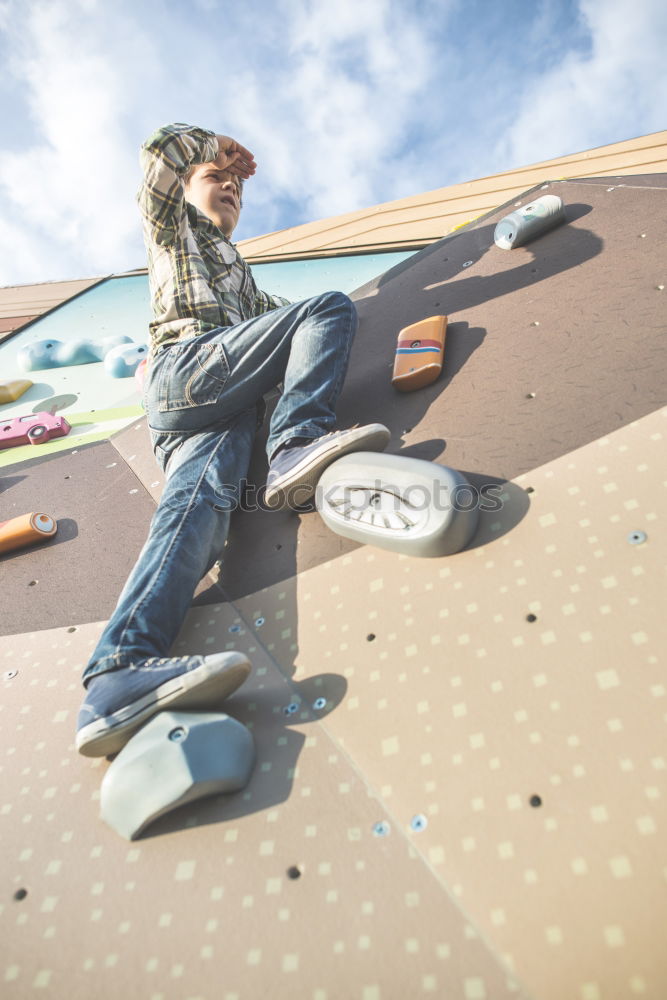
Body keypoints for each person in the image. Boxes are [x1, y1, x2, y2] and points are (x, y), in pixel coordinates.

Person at [75, 123, 390, 757]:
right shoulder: (174, 230)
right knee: (328, 308)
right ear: (187, 193)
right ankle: (295, 444)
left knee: (196, 517)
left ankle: (115, 674)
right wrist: (214, 145)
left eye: (236, 188)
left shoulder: (247, 284)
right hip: (186, 370)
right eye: (215, 181)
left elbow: (285, 331)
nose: (229, 189)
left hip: (214, 410)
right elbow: (162, 154)